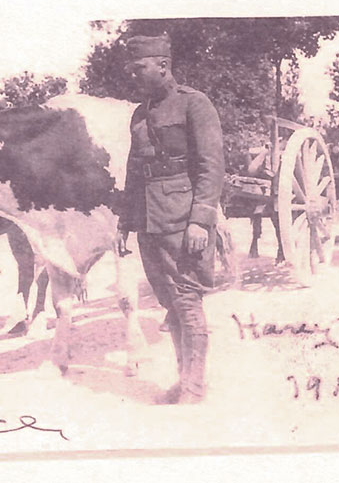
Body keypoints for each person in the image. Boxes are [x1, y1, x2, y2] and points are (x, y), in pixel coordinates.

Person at [117, 34, 225, 404]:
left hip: (183, 219)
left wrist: (201, 220)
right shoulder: (139, 112)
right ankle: (185, 380)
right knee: (171, 303)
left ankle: (194, 387)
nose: (133, 74)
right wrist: (124, 223)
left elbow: (211, 167)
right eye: (130, 68)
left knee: (188, 300)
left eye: (139, 67)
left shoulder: (195, 105)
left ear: (163, 65)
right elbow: (134, 172)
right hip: (148, 221)